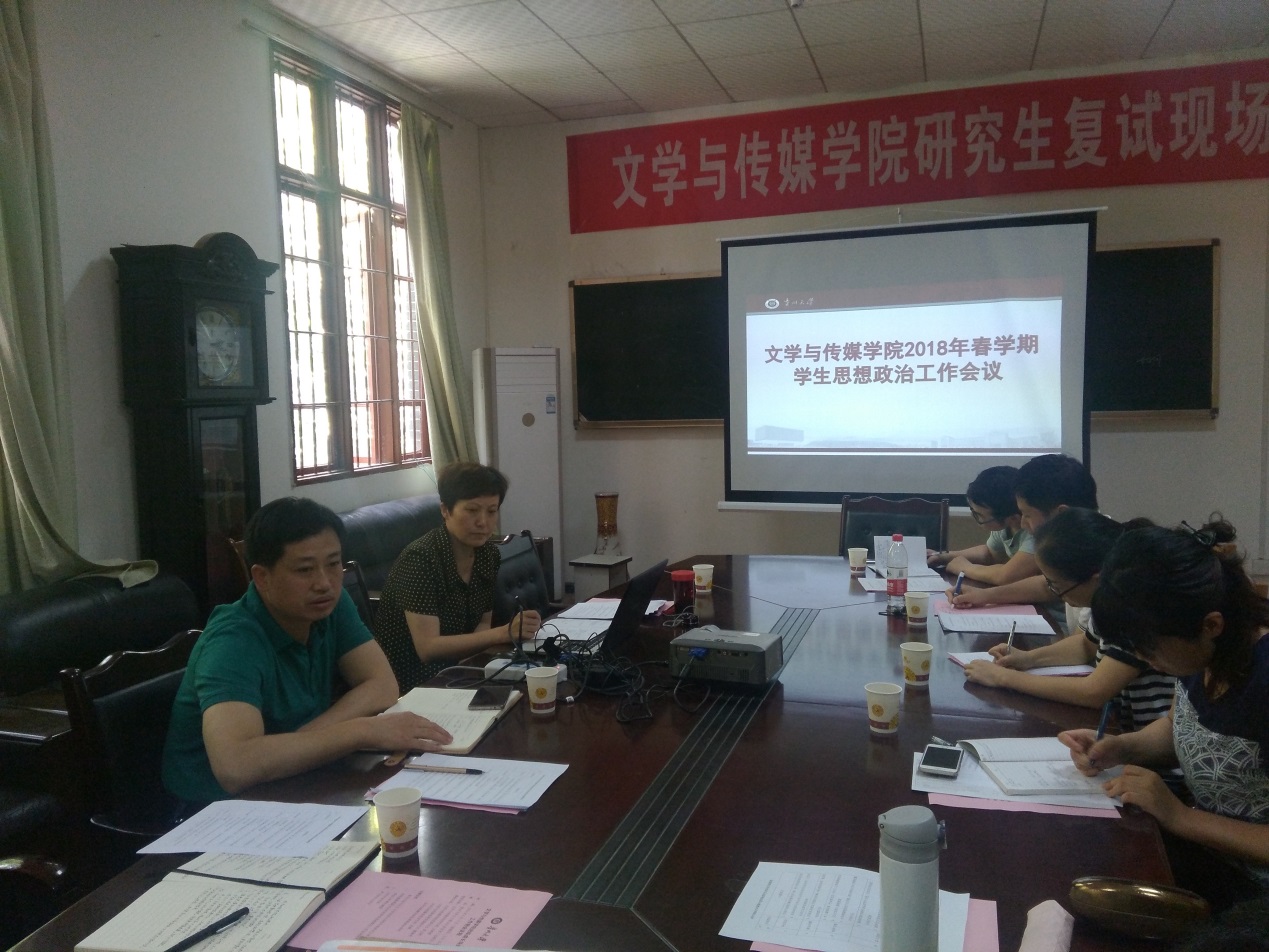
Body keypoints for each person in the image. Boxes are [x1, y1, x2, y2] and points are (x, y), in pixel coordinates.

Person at [162, 498, 452, 804]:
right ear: (262, 577)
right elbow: (236, 767)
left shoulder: (329, 605)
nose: (324, 583)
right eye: (304, 570)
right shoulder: (233, 642)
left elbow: (382, 685)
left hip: (293, 779)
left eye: (333, 564)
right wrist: (361, 731)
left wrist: (307, 740)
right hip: (210, 809)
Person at [1059, 518, 1269, 906]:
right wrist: (1123, 748)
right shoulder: (1201, 657)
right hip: (1211, 857)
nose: (1144, 660)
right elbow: (1180, 727)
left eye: (1149, 649)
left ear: (1211, 625)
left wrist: (1180, 816)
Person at [963, 508, 1175, 732]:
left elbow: (1094, 692)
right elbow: (1086, 645)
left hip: (1148, 736)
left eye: (1056, 585)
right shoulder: (1106, 601)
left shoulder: (1132, 611)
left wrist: (1003, 678)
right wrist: (1028, 659)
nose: (1055, 592)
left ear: (1095, 579)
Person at [375, 462, 542, 690]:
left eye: (491, 511)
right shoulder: (420, 559)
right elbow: (428, 648)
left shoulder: (488, 554)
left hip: (461, 671)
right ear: (445, 510)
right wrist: (503, 633)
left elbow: (482, 623)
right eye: (472, 510)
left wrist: (475, 665)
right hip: (413, 682)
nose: (483, 522)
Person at [945, 453, 1098, 611]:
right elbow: (1046, 585)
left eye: (1027, 515)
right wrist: (983, 595)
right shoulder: (1071, 540)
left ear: (1062, 514)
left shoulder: (1099, 552)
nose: (1023, 524)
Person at [927, 465, 1036, 586]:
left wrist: (965, 568)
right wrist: (943, 557)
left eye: (979, 515)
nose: (976, 518)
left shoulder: (1034, 532)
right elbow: (990, 553)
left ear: (1013, 518)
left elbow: (1005, 576)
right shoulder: (1006, 524)